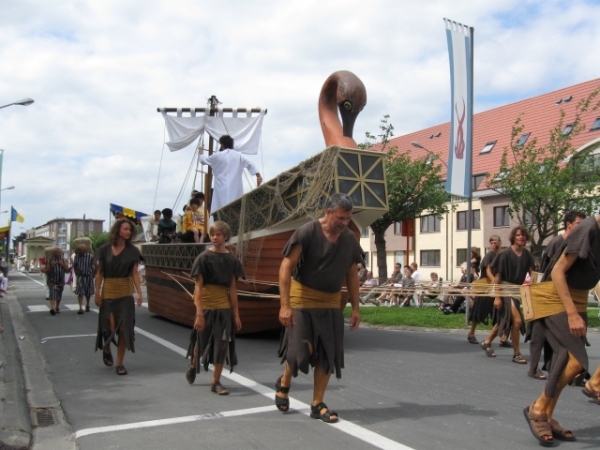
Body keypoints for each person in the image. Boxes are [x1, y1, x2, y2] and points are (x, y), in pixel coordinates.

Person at [275, 193, 362, 423]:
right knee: (300, 351)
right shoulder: (307, 232)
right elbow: (286, 268)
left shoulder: (350, 239)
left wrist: (355, 308)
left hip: (331, 302)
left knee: (327, 353)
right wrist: (285, 305)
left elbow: (352, 274)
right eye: (341, 218)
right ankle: (284, 383)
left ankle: (317, 404)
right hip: (302, 297)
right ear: (328, 212)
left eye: (348, 218)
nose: (344, 223)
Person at [523, 213, 600, 445]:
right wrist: (572, 314)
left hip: (577, 299)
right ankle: (537, 408)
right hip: (556, 299)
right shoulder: (587, 229)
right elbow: (557, 271)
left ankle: (545, 414)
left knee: (565, 360)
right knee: (577, 361)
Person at [184, 221, 244, 395]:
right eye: (213, 234)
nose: (215, 237)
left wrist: (236, 314)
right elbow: (198, 286)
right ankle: (194, 363)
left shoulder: (232, 260)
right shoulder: (203, 258)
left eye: (218, 234)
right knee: (201, 342)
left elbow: (232, 288)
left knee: (224, 343)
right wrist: (199, 313)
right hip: (206, 305)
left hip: (224, 307)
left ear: (225, 236)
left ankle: (216, 382)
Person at [527, 210, 586, 380]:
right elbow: (554, 270)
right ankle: (534, 368)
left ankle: (569, 372)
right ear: (569, 224)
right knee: (538, 334)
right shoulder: (557, 242)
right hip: (547, 293)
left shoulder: (575, 243)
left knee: (559, 337)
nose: (583, 229)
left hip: (560, 294)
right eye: (579, 224)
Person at [94, 219, 143, 376]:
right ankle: (107, 348)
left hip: (125, 293)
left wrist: (139, 292)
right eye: (125, 229)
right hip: (108, 291)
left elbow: (135, 273)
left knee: (124, 329)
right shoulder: (104, 250)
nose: (128, 232)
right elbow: (100, 272)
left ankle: (120, 363)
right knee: (108, 327)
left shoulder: (133, 251)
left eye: (130, 230)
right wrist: (97, 291)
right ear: (118, 230)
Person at [483, 226, 534, 363]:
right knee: (517, 321)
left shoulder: (527, 254)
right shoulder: (504, 254)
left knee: (505, 320)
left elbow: (532, 273)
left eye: (523, 235)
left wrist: (534, 286)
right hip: (505, 288)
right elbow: (498, 277)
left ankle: (487, 341)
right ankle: (516, 353)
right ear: (513, 237)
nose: (521, 237)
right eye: (518, 235)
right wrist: (498, 297)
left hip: (517, 290)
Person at [199, 135, 262, 214]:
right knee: (235, 210)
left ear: (222, 144)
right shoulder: (239, 155)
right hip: (235, 190)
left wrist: (201, 153)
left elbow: (203, 160)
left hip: (220, 190)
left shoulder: (217, 156)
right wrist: (258, 176)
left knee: (219, 210)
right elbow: (251, 164)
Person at [467, 235, 502, 344]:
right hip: (486, 285)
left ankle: (503, 337)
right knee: (479, 310)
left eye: (495, 242)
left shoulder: (502, 255)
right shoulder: (489, 256)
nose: (493, 245)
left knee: (500, 312)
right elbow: (488, 271)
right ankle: (471, 333)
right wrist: (495, 283)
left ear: (500, 243)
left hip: (497, 287)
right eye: (491, 243)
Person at [46, 248, 70, 315]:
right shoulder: (50, 260)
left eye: (60, 252)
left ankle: (57, 306)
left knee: (59, 295)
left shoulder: (63, 260)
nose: (59, 254)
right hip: (52, 280)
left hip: (60, 280)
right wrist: (51, 266)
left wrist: (62, 265)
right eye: (57, 252)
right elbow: (47, 271)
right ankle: (52, 308)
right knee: (53, 295)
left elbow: (67, 270)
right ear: (54, 253)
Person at [73, 244, 95, 314]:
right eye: (78, 249)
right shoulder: (77, 256)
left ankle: (88, 304)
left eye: (80, 250)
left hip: (88, 276)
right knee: (80, 292)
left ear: (84, 250)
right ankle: (80, 308)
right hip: (80, 276)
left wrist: (94, 273)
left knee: (88, 292)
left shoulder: (90, 256)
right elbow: (75, 265)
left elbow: (95, 265)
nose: (78, 251)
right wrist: (76, 273)